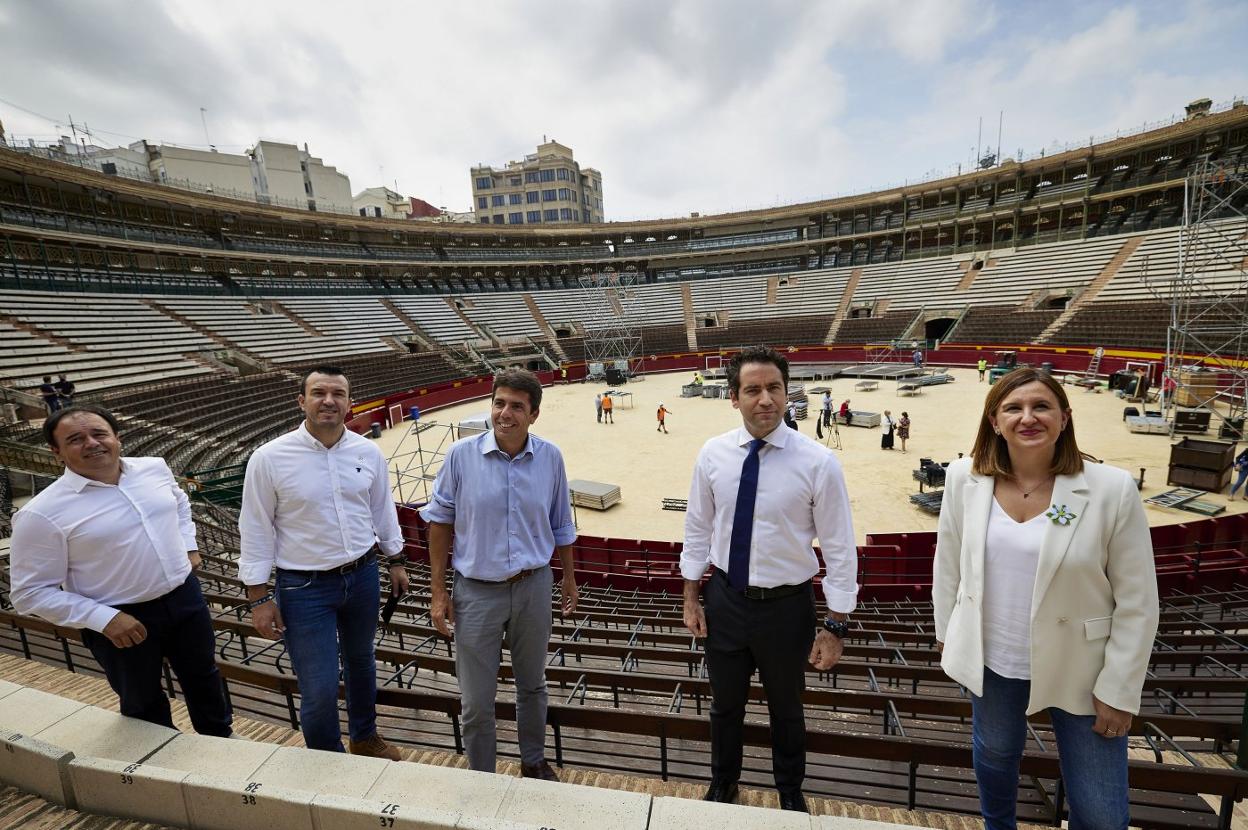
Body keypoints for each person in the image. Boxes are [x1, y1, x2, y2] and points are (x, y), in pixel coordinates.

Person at [933, 367, 1159, 830]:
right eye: (1013, 408)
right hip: (994, 657)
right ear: (994, 421)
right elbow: (948, 563)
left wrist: (1119, 689)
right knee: (994, 756)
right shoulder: (963, 478)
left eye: (1041, 407)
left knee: (1101, 815)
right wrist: (946, 634)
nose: (1027, 417)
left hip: (1085, 668)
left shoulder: (1111, 489)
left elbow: (1138, 601)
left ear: (1065, 417)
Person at [681, 346, 858, 813]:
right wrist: (691, 596)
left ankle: (790, 790)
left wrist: (836, 625)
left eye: (774, 388)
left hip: (787, 608)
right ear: (733, 398)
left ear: (787, 393)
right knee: (724, 707)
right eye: (753, 389)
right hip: (725, 600)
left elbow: (840, 548)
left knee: (787, 709)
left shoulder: (818, 463)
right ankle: (724, 783)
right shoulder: (712, 454)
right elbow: (698, 528)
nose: (765, 399)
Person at [10, 405, 232, 737]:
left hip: (185, 597)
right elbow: (28, 594)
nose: (91, 443)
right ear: (56, 453)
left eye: (99, 434)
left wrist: (188, 544)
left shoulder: (154, 468)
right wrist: (104, 619)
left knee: (204, 675)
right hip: (119, 616)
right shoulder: (40, 514)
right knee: (141, 697)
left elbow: (180, 502)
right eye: (75, 439)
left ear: (117, 438)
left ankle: (221, 739)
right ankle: (160, 762)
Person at [239, 366, 407, 760]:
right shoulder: (269, 458)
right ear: (302, 401)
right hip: (303, 586)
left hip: (363, 574)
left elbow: (383, 511)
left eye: (337, 394)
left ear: (350, 403)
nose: (328, 400)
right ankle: (327, 760)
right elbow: (256, 528)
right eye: (318, 393)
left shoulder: (367, 452)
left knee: (362, 663)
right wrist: (258, 597)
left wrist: (396, 560)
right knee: (318, 684)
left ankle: (364, 737)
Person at [421, 368, 577, 780]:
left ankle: (533, 760)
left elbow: (561, 522)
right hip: (475, 591)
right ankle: (482, 777)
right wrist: (439, 592)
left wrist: (569, 577)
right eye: (499, 403)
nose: (505, 413)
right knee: (475, 701)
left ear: (534, 414)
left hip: (534, 586)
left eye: (517, 407)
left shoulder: (552, 457)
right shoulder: (460, 456)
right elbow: (439, 523)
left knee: (533, 684)